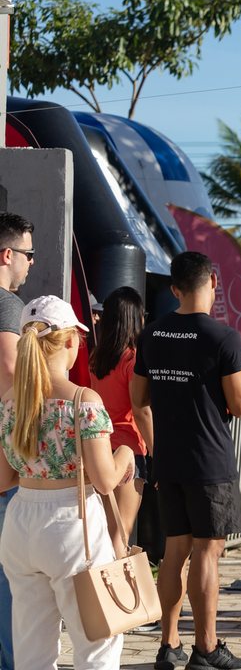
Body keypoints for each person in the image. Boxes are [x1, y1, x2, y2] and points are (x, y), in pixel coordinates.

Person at [131, 252, 241, 670]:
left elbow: (139, 402)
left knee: (173, 552)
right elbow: (239, 405)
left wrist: (156, 447)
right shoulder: (224, 337)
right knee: (206, 551)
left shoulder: (152, 335)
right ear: (213, 282)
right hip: (209, 463)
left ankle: (168, 644)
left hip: (169, 460)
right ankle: (206, 648)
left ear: (174, 288)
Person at [0, 295, 135, 669]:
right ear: (72, 341)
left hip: (20, 522)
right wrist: (127, 455)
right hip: (72, 525)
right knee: (98, 643)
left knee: (31, 649)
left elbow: (2, 478)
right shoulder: (83, 401)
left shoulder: (12, 402)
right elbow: (106, 480)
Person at [91, 287, 154, 560]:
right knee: (121, 532)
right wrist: (156, 451)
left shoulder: (97, 358)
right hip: (129, 451)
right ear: (132, 318)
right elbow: (141, 410)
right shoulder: (133, 358)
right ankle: (115, 597)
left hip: (100, 448)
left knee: (103, 529)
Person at [0, 211, 35, 670]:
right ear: (7, 254)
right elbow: (9, 372)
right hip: (2, 461)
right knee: (9, 577)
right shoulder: (7, 304)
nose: (30, 263)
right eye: (28, 253)